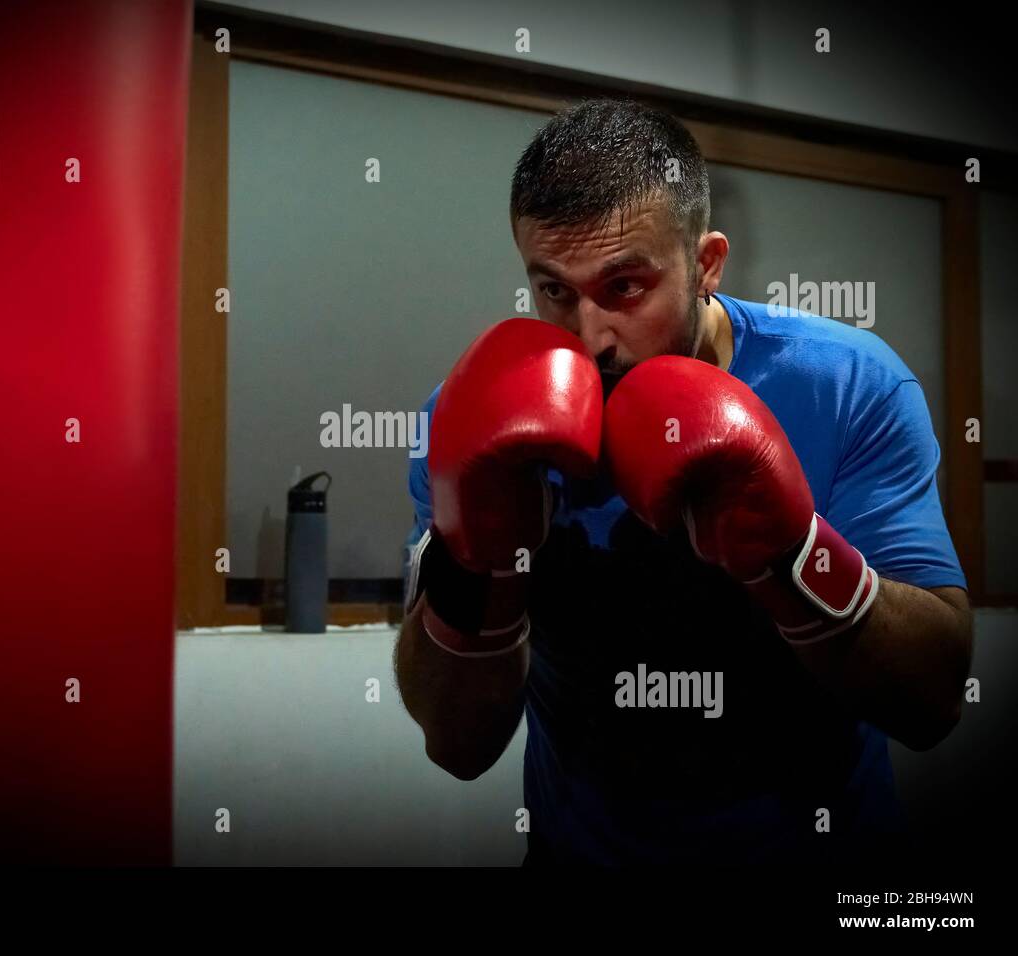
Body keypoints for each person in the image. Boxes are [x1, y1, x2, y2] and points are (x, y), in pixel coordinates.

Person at [394, 98, 973, 865]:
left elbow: (933, 703)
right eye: (555, 291)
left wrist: (792, 553)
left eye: (625, 287)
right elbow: (456, 745)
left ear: (705, 264)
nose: (590, 337)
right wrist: (475, 562)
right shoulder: (472, 420)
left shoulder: (848, 386)